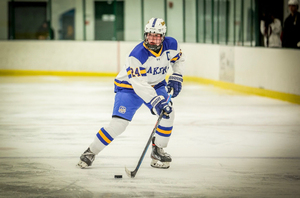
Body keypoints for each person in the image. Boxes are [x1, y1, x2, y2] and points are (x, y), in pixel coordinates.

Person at [77, 18, 185, 169]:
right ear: (145, 34)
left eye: (157, 37)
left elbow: (178, 60)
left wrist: (177, 75)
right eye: (150, 36)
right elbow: (138, 84)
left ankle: (157, 149)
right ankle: (91, 152)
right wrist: (156, 101)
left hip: (156, 84)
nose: (152, 40)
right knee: (118, 125)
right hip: (129, 87)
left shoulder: (172, 44)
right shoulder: (136, 55)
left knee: (169, 114)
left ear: (163, 37)